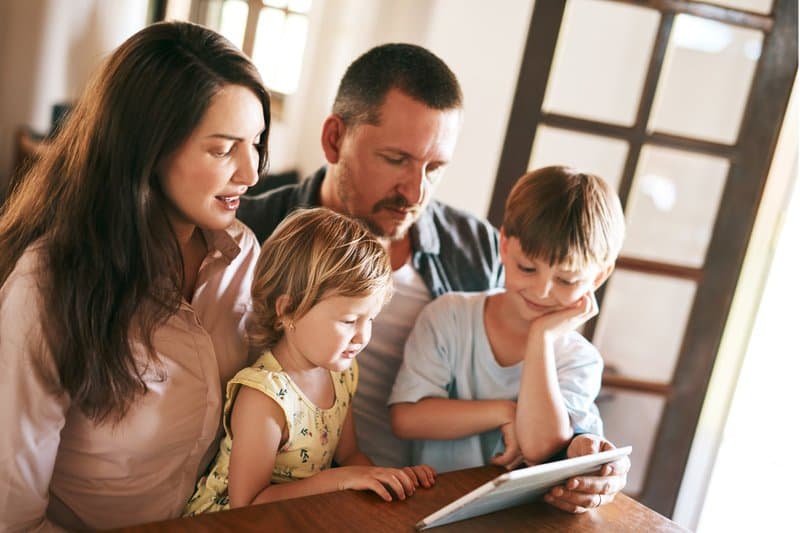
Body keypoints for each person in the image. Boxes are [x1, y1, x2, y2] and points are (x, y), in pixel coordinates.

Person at [237, 43, 629, 513]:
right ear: (334, 139)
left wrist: (593, 456)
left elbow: (537, 369)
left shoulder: (476, 248)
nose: (415, 191)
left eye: (435, 168)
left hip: (435, 496)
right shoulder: (251, 236)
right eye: (397, 159)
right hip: (298, 494)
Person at [0, 22, 269, 531]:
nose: (251, 172)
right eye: (222, 149)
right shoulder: (49, 285)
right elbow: (11, 509)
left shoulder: (241, 255)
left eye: (255, 142)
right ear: (148, 149)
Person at [389, 167, 623, 501]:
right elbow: (406, 419)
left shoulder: (579, 359)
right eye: (527, 268)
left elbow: (540, 447)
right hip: (429, 501)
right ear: (504, 246)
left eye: (567, 280)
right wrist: (505, 411)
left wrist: (541, 338)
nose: (542, 291)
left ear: (598, 277)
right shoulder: (449, 315)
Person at [184, 208, 435, 515]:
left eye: (370, 319)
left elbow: (351, 454)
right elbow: (247, 503)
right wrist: (340, 479)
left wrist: (390, 482)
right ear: (288, 310)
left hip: (300, 516)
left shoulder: (341, 374)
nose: (361, 337)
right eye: (348, 321)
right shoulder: (263, 397)